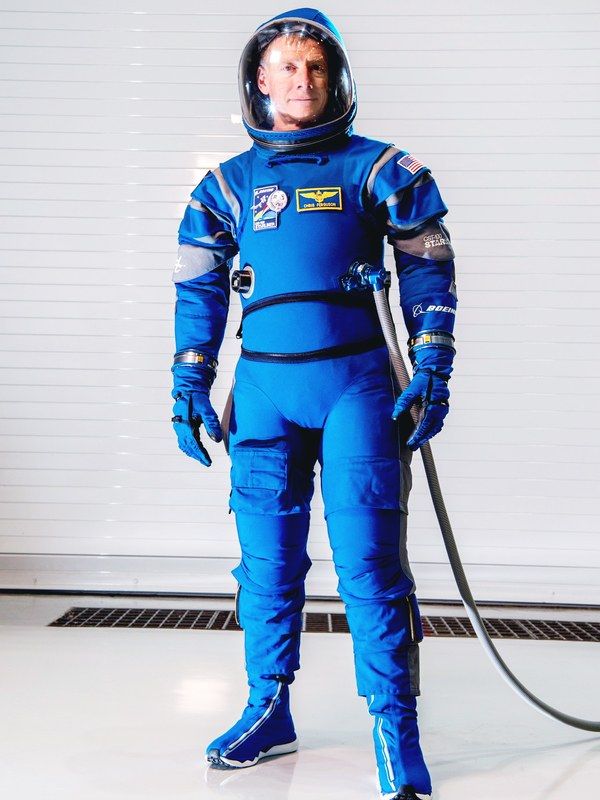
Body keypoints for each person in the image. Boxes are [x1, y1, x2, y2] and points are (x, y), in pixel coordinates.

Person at [171, 9, 457, 800]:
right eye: (289, 67)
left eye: (317, 68)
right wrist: (189, 379)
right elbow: (198, 288)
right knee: (266, 565)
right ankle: (268, 707)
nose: (303, 80)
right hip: (264, 392)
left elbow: (428, 266)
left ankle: (395, 725)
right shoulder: (224, 186)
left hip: (356, 388)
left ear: (337, 80)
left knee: (370, 565)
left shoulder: (383, 169)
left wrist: (433, 362)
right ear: (261, 79)